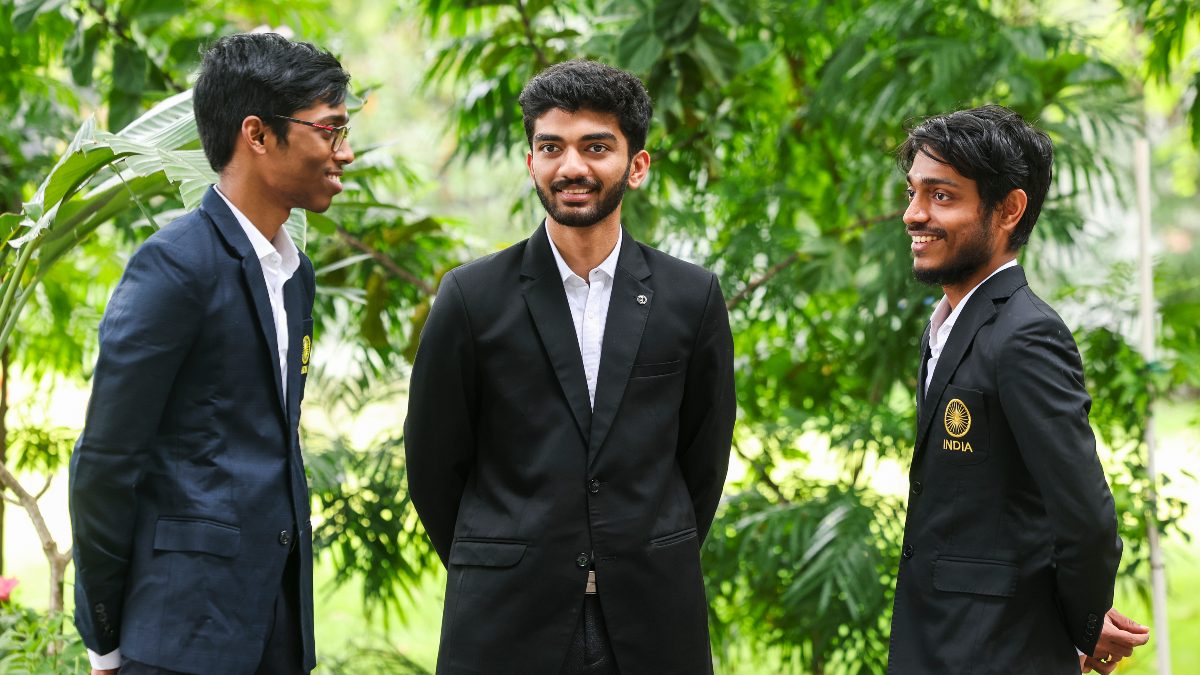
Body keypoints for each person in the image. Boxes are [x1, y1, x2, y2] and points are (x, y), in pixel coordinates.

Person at [404, 59, 736, 674]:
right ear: (531, 162)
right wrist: (501, 556)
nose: (571, 167)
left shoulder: (692, 298)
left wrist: (640, 547)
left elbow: (703, 459)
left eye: (596, 147)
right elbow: (432, 463)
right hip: (504, 618)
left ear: (637, 165)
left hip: (652, 617)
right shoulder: (471, 298)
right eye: (551, 147)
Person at [69, 32, 354, 675]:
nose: (346, 152)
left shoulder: (296, 274)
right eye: (329, 130)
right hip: (179, 640)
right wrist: (104, 639)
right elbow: (106, 463)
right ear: (258, 134)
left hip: (277, 633)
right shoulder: (174, 267)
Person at [885, 105, 1141, 673]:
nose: (913, 214)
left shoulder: (1026, 335)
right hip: (942, 643)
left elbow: (1085, 517)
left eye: (941, 196)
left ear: (1008, 210)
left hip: (994, 654)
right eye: (913, 192)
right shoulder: (946, 327)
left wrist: (1080, 624)